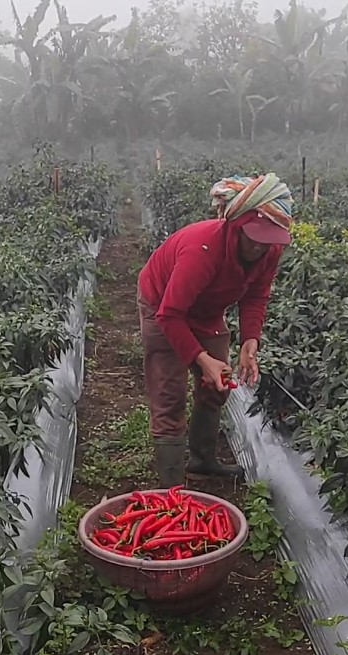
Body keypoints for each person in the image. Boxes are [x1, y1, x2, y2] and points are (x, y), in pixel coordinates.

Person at [137, 173, 294, 486]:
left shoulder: (269, 250)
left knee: (217, 384)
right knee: (170, 394)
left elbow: (256, 294)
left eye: (268, 240)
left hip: (206, 312)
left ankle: (202, 458)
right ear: (236, 225)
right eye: (254, 237)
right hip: (163, 307)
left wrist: (250, 341)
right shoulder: (202, 250)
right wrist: (201, 358)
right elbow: (170, 314)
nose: (260, 246)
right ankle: (171, 487)